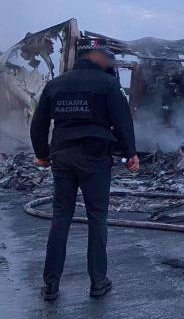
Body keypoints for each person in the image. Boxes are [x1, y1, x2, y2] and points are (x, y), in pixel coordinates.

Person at [30, 37, 140, 301]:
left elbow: (39, 124)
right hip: (95, 158)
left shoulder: (55, 84)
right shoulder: (108, 84)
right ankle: (98, 283)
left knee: (61, 218)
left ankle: (51, 286)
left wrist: (42, 155)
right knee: (97, 218)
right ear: (100, 62)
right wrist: (130, 154)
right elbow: (123, 122)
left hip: (63, 157)